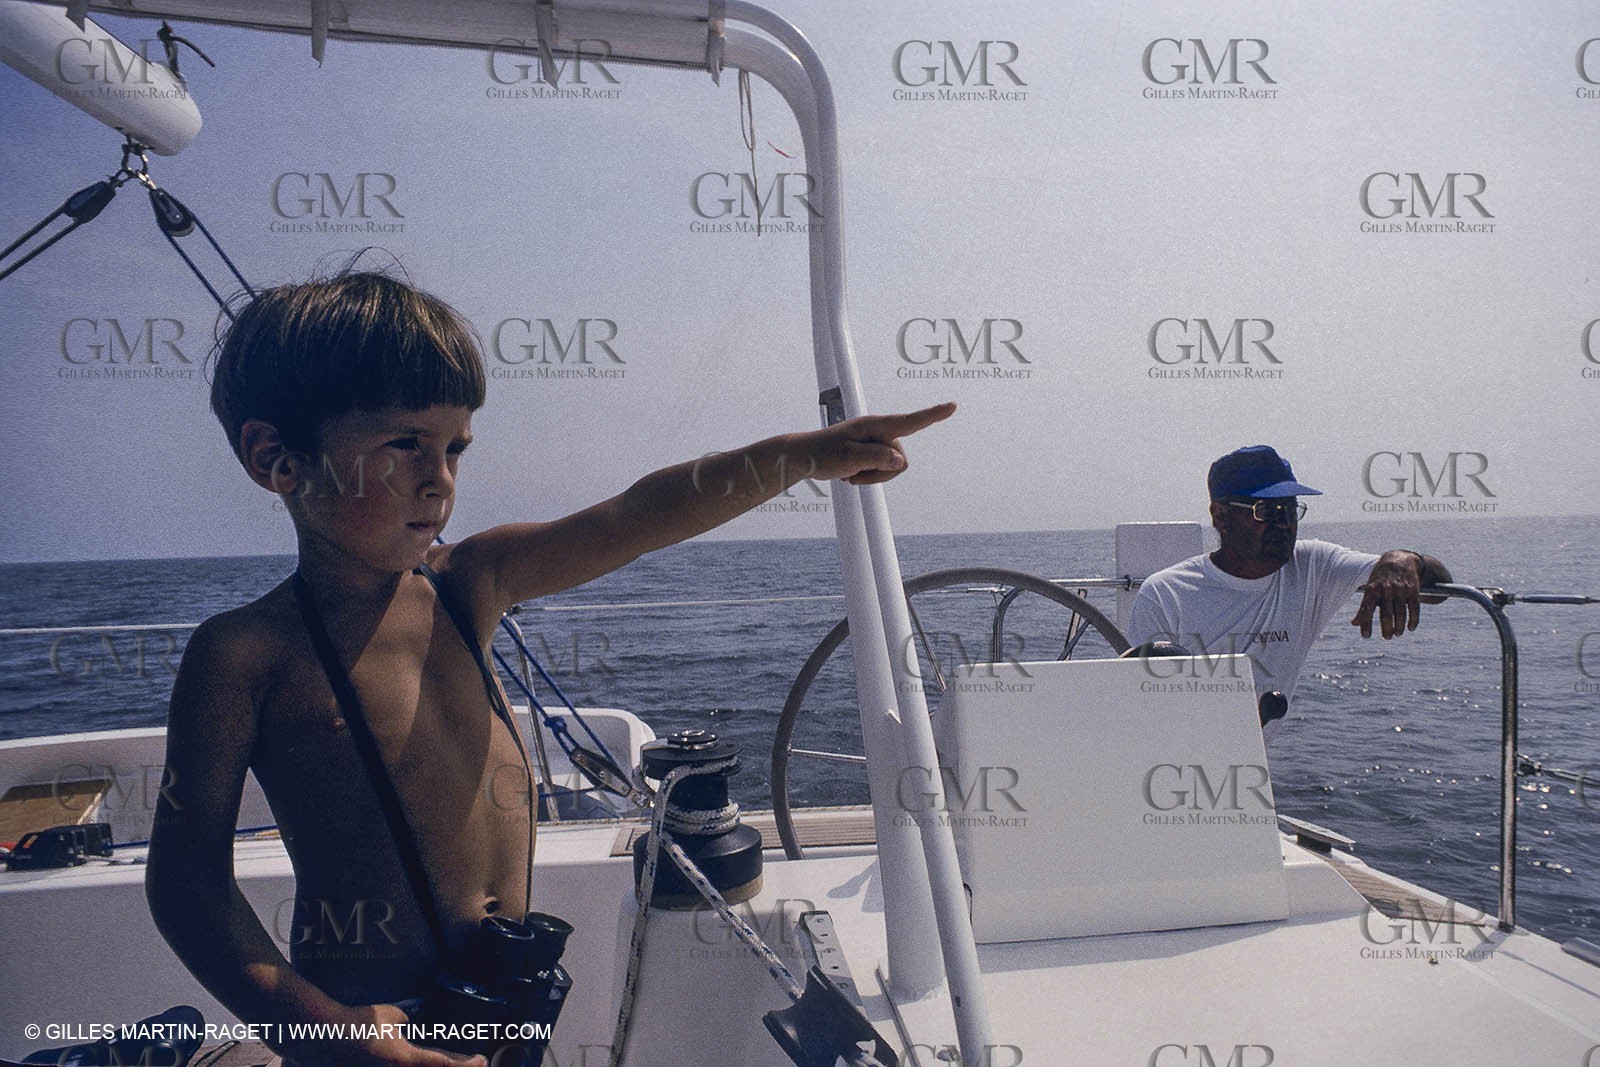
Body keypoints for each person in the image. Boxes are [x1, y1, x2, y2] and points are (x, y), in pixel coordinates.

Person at [143, 269, 955, 1067]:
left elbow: (635, 515)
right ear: (275, 456)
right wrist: (324, 1028)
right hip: (370, 1031)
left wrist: (798, 456)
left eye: (455, 447)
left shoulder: (468, 583)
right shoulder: (245, 652)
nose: (441, 479)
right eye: (406, 444)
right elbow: (188, 885)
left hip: (509, 1008)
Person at [1126, 444, 1452, 712]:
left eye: (1289, 509)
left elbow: (1439, 590)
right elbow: (1143, 711)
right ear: (1220, 517)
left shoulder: (1312, 566)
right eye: (1265, 511)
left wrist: (1402, 560)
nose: (1283, 524)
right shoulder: (1166, 594)